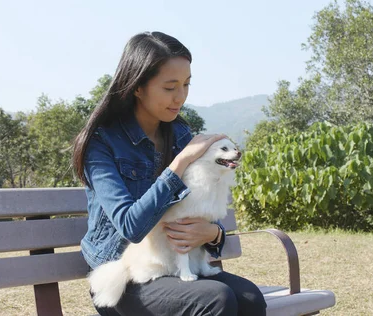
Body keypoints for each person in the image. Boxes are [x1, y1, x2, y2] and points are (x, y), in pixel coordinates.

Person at [72, 31, 266, 316]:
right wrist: (180, 163)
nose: (181, 97)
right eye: (170, 87)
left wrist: (212, 234)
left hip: (176, 262)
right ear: (138, 87)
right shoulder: (102, 144)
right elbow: (131, 227)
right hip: (128, 272)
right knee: (217, 299)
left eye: (186, 85)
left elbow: (203, 208)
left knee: (250, 298)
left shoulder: (180, 133)